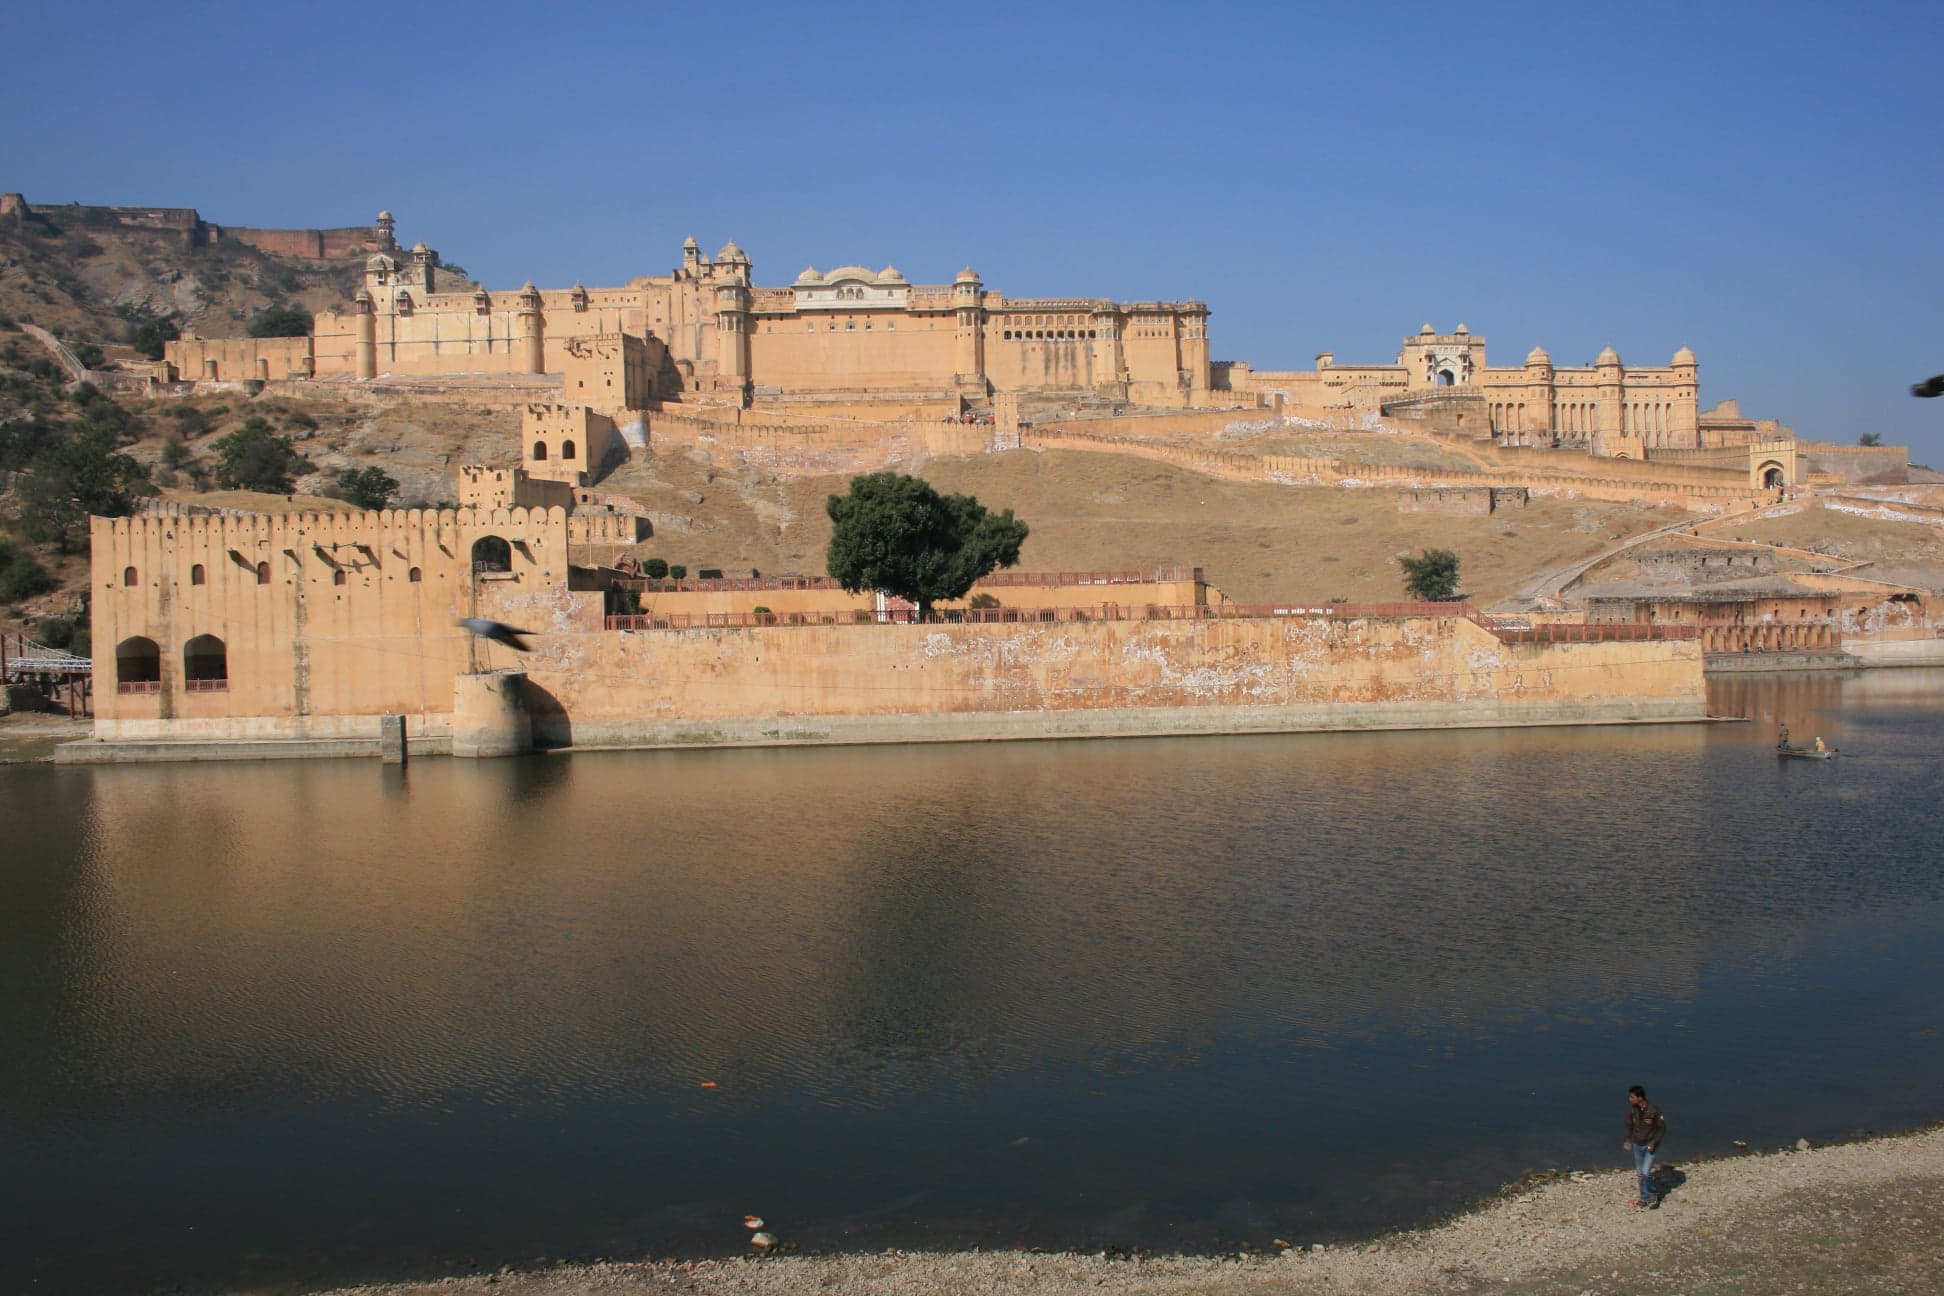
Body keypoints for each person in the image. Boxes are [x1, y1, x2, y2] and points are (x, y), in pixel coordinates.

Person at [1624, 1085, 1666, 1208]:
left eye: (1632, 1097)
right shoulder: (1633, 1110)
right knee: (1641, 1174)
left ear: (1640, 1097)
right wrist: (1627, 1140)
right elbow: (1628, 1125)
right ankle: (1644, 1198)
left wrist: (1654, 1142)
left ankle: (1653, 1194)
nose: (1629, 1099)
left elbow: (1662, 1129)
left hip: (1650, 1146)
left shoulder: (1654, 1110)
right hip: (1637, 1145)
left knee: (1646, 1172)